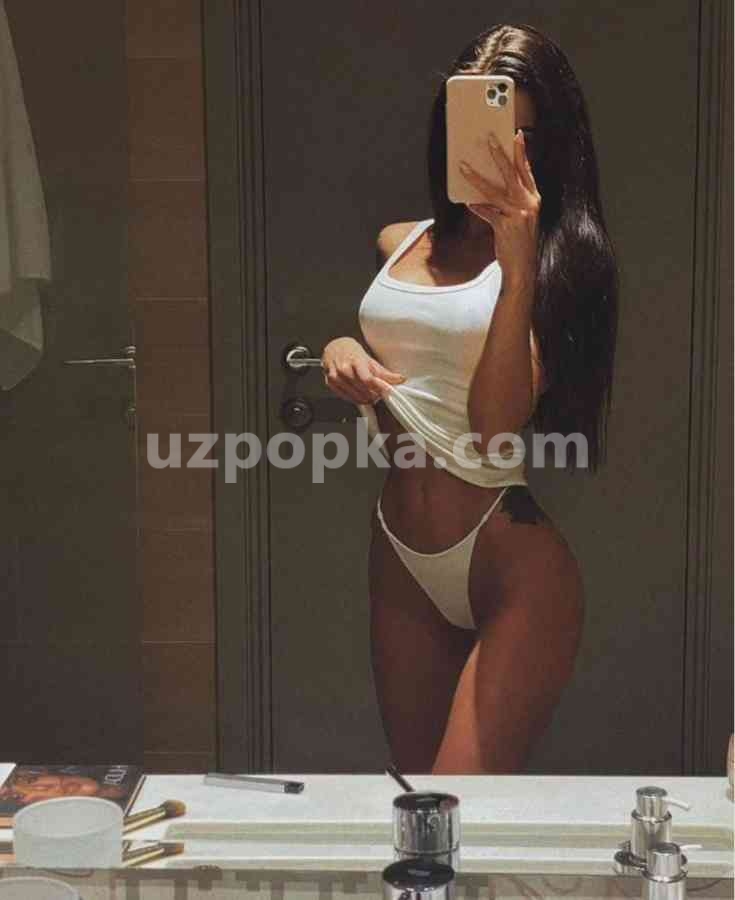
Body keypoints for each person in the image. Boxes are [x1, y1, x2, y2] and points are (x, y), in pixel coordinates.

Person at [322, 24, 618, 773]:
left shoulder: (564, 260)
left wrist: (516, 270)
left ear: (550, 144)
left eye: (524, 134)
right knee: (413, 805)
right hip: (399, 547)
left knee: (465, 809)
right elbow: (411, 358)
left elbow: (493, 426)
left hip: (510, 562)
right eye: (481, 127)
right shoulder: (399, 241)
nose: (502, 151)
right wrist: (342, 350)